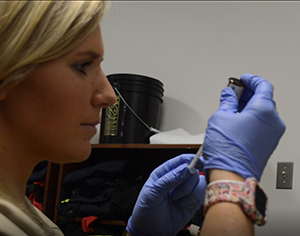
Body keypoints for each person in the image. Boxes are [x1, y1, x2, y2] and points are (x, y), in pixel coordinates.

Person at [0, 1, 285, 236]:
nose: (109, 95)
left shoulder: (22, 213)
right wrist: (230, 186)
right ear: (7, 74)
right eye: (82, 65)